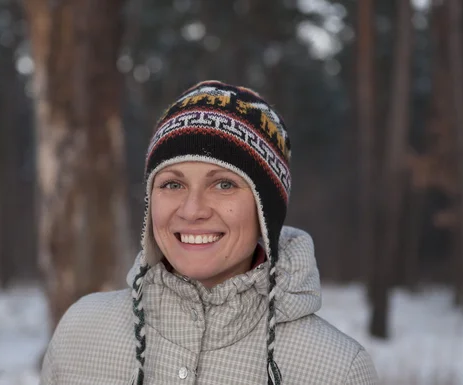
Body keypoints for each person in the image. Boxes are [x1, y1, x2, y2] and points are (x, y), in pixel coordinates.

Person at [39, 81, 379, 385]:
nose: (192, 210)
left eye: (224, 184)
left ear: (266, 212)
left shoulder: (337, 369)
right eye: (173, 184)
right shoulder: (80, 332)